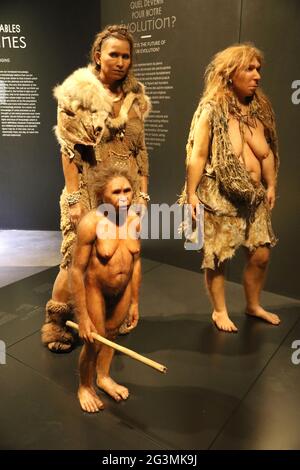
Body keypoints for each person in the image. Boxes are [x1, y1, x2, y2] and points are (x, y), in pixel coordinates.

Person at [41, 25, 150, 352]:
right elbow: (68, 148)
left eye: (125, 56)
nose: (120, 61)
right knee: (76, 257)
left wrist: (143, 193)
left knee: (119, 257)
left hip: (124, 196)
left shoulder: (135, 98)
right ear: (98, 56)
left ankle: (107, 317)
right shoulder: (79, 93)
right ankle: (56, 323)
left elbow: (141, 151)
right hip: (88, 190)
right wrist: (74, 198)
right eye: (113, 54)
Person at [181, 43, 280, 333]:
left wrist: (271, 184)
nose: (257, 75)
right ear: (229, 73)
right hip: (219, 194)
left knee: (261, 255)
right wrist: (191, 194)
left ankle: (253, 304)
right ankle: (219, 311)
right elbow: (197, 155)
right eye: (249, 68)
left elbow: (269, 151)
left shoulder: (260, 109)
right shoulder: (211, 110)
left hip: (255, 197)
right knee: (218, 256)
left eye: (258, 69)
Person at [71, 167, 141, 412]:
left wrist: (134, 301)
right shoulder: (91, 223)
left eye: (127, 190)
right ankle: (84, 386)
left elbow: (137, 260)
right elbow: (76, 271)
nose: (124, 197)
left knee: (111, 335)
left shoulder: (134, 219)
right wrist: (82, 317)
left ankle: (103, 377)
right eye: (116, 192)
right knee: (94, 341)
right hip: (96, 289)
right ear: (102, 195)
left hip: (123, 290)